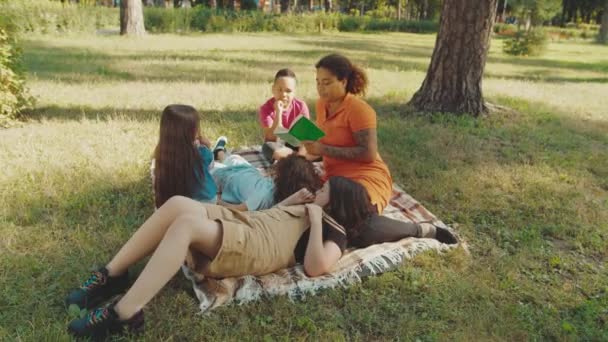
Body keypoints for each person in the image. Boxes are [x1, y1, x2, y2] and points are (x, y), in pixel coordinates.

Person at [65, 176, 439, 339]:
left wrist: (312, 219)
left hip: (251, 246)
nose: (319, 187)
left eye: (325, 188)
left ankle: (124, 314)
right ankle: (112, 274)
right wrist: (290, 206)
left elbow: (316, 267)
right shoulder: (308, 207)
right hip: (249, 224)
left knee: (183, 228)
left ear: (336, 201)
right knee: (178, 204)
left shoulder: (334, 231)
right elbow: (273, 221)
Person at [303, 54, 393, 213]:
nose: (320, 88)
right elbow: (327, 139)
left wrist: (322, 150)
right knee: (294, 175)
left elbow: (368, 154)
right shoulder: (321, 105)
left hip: (365, 178)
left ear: (343, 82)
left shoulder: (359, 110)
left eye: (327, 83)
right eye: (317, 82)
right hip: (334, 178)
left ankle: (419, 230)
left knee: (352, 212)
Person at [153, 104, 217, 208]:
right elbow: (211, 166)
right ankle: (220, 149)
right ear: (191, 132)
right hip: (206, 202)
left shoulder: (162, 153)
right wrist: (207, 147)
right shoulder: (202, 152)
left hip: (176, 204)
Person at [212, 153, 322, 211]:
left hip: (227, 177)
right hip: (247, 172)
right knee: (233, 158)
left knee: (227, 160)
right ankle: (220, 153)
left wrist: (217, 201)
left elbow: (237, 210)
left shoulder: (263, 196)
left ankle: (219, 153)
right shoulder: (298, 194)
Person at [259, 68, 310, 162]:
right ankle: (298, 160)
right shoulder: (265, 108)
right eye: (279, 90)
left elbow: (305, 137)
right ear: (273, 89)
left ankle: (297, 159)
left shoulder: (301, 106)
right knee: (267, 147)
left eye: (288, 91)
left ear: (294, 92)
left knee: (316, 147)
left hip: (296, 145)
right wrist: (279, 112)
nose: (283, 94)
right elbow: (271, 138)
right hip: (277, 146)